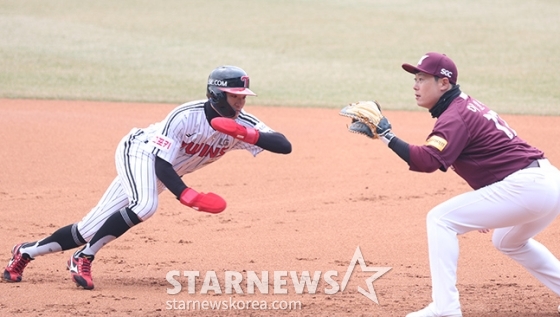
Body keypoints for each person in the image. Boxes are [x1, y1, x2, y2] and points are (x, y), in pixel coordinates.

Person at [3, 65, 292, 290]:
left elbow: (283, 145)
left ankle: (26, 252)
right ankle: (83, 258)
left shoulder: (243, 124)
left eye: (244, 96)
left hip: (165, 168)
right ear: (217, 94)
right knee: (145, 205)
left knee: (88, 228)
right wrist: (185, 194)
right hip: (140, 154)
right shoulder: (184, 116)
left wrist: (247, 134)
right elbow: (162, 164)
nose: (241, 102)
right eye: (235, 96)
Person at [375, 52, 560, 317]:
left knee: (440, 219)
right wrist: (493, 204)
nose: (415, 85)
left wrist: (385, 135)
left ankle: (445, 309)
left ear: (444, 83)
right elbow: (493, 156)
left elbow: (427, 160)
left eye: (422, 78)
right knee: (508, 241)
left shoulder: (454, 116)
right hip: (547, 181)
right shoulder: (465, 106)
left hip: (527, 187)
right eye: (415, 79)